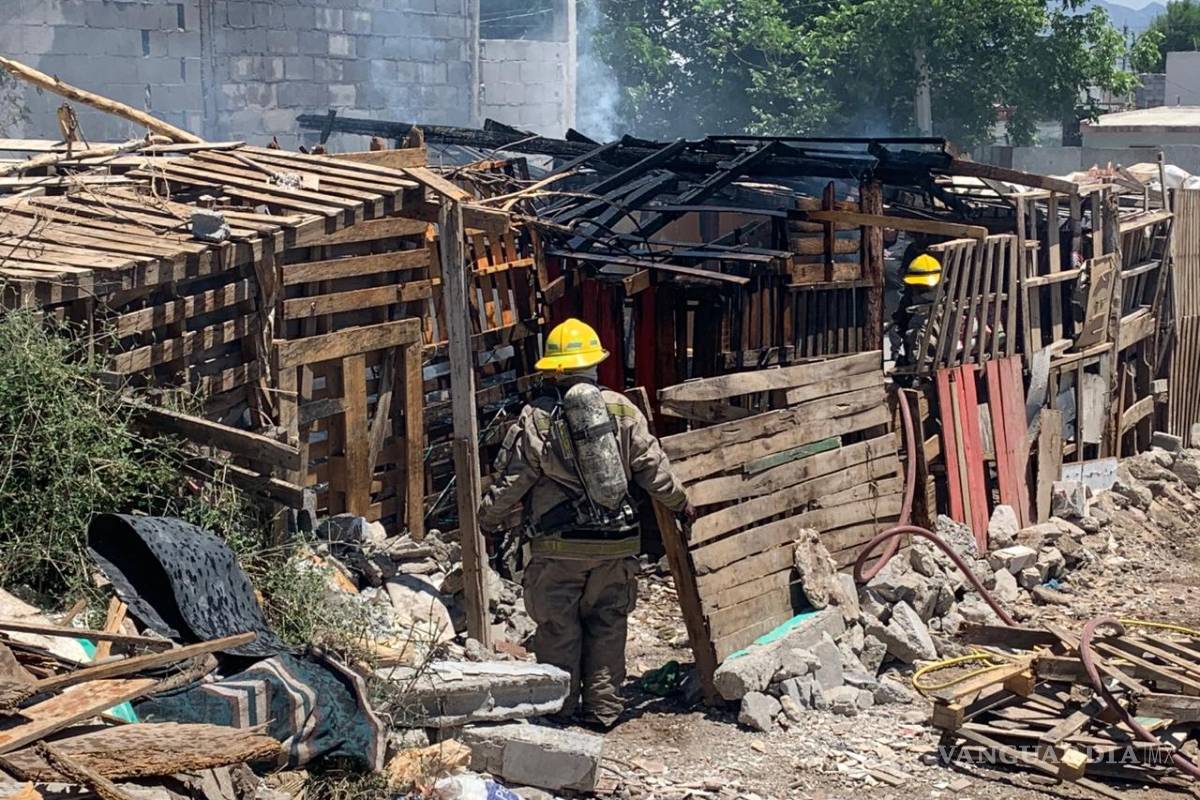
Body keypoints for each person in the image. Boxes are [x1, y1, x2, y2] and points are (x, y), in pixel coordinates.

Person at [478, 317, 695, 730]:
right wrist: (682, 504)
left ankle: (558, 711)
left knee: (559, 628)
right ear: (596, 364)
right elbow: (653, 469)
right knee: (608, 625)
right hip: (617, 547)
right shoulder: (621, 409)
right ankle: (603, 710)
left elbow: (512, 481)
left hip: (557, 551)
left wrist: (488, 520)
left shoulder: (536, 418)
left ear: (554, 370)